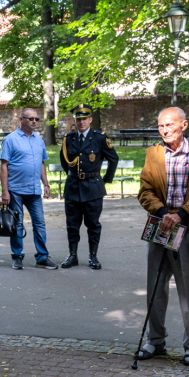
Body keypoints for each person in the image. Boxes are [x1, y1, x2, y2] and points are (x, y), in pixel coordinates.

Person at [136, 106, 189, 365]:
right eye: (161, 125)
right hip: (160, 225)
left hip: (188, 226)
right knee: (155, 286)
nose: (164, 130)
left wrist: (182, 213)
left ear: (183, 126)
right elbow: (145, 191)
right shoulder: (153, 153)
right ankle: (155, 341)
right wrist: (163, 212)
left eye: (170, 125)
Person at [58, 104, 119, 269]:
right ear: (75, 120)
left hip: (93, 188)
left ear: (90, 119)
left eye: (84, 119)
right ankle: (73, 256)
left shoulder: (99, 138)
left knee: (93, 224)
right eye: (78, 119)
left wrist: (105, 179)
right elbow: (65, 163)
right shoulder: (68, 139)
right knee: (72, 225)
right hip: (72, 188)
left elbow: (113, 158)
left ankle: (93, 256)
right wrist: (74, 176)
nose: (81, 122)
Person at [1, 108, 56, 269]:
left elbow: (42, 163)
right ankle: (17, 256)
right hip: (15, 190)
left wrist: (45, 184)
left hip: (34, 191)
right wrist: (5, 191)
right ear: (21, 119)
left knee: (39, 223)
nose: (34, 121)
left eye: (36, 119)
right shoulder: (10, 140)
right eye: (30, 118)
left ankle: (42, 257)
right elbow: (4, 166)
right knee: (16, 224)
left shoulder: (39, 140)